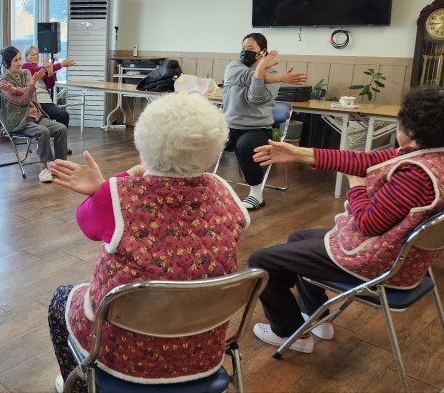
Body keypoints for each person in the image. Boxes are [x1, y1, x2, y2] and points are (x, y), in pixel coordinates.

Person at [46, 93, 249, 391]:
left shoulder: (117, 194)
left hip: (124, 355)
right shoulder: (224, 191)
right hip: (202, 351)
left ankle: (76, 384)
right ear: (215, 146)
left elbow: (86, 222)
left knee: (60, 298)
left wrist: (109, 184)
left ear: (142, 141)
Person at [248, 87, 444, 354]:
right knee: (298, 238)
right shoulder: (431, 158)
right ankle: (316, 316)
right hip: (405, 258)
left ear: (409, 132)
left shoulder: (415, 175)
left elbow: (368, 224)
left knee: (261, 261)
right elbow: (364, 160)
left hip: (381, 263)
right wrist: (298, 154)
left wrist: (356, 186)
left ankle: (289, 332)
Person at [222, 32, 306, 210]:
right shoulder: (233, 66)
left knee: (245, 145)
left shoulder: (272, 73)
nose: (245, 51)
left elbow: (255, 99)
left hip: (258, 128)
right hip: (229, 126)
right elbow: (246, 77)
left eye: (250, 48)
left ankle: (256, 195)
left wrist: (261, 70)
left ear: (263, 52)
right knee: (199, 138)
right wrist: (275, 76)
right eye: (243, 48)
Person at [0, 46, 68, 183]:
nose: (19, 63)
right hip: (20, 121)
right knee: (43, 132)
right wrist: (30, 85)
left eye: (19, 59)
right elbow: (22, 101)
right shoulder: (3, 83)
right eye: (15, 60)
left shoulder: (26, 73)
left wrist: (16, 89)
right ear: (6, 63)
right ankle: (44, 168)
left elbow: (30, 94)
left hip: (36, 116)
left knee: (61, 129)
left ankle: (60, 166)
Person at [21, 45, 75, 128]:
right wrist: (61, 64)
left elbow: (50, 85)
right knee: (62, 115)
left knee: (64, 115)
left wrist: (50, 73)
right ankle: (58, 133)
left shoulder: (41, 68)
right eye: (33, 55)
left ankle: (59, 134)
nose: (36, 56)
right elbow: (40, 70)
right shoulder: (25, 67)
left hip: (47, 101)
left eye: (37, 54)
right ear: (26, 57)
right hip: (37, 103)